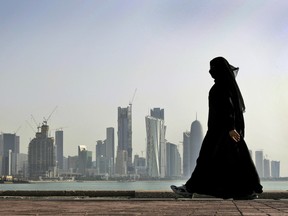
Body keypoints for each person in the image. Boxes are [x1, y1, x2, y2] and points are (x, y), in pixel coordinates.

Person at [171, 57, 263, 199]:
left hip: (222, 132)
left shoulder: (222, 88)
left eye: (213, 68)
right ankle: (245, 191)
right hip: (220, 131)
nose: (210, 71)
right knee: (230, 161)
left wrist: (231, 129)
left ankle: (189, 189)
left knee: (208, 160)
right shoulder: (223, 86)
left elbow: (229, 109)